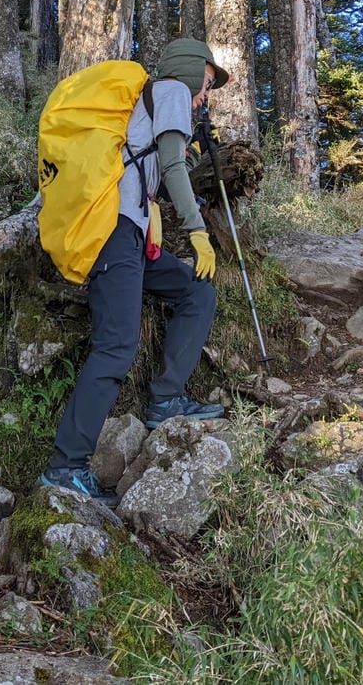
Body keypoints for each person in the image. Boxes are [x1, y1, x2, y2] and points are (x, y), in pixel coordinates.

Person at [40, 38, 227, 507]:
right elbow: (172, 166)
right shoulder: (172, 91)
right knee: (116, 346)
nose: (205, 97)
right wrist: (197, 230)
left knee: (196, 293)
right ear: (189, 71)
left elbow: (155, 167)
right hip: (115, 234)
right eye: (206, 84)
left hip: (132, 237)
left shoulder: (152, 100)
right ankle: (66, 467)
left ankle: (166, 400)